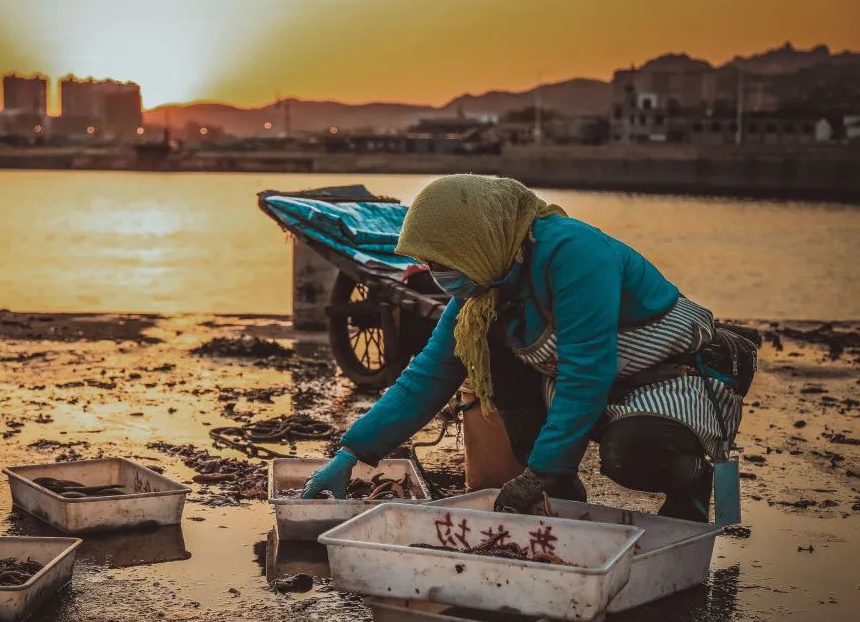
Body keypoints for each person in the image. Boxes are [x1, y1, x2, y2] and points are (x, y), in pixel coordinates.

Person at [301, 175, 755, 522]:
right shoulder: (485, 287)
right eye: (428, 264)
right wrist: (353, 453)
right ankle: (561, 494)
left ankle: (691, 480)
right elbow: (428, 375)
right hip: (598, 380)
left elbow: (586, 373)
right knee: (490, 357)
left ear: (474, 240)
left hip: (674, 374)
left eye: (442, 262)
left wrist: (544, 471)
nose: (437, 275)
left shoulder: (575, 254)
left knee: (632, 453)